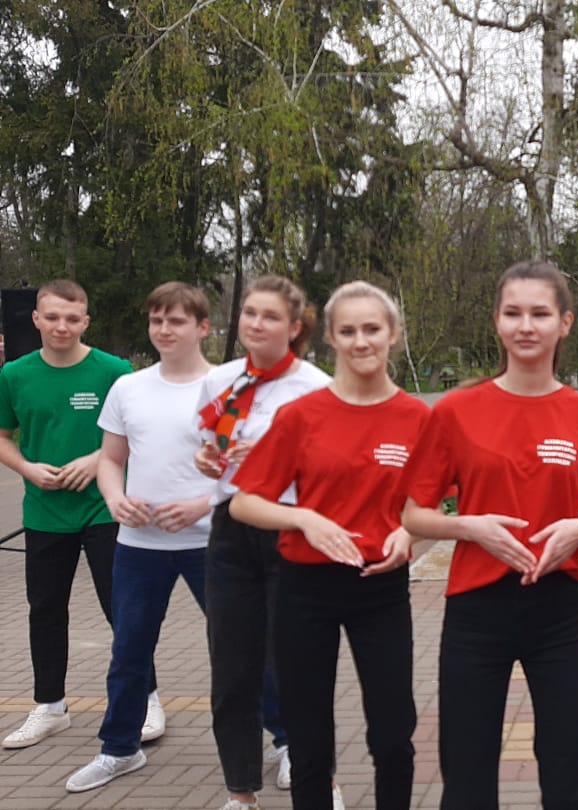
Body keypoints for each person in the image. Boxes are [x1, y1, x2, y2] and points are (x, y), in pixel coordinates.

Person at [402, 260, 578, 810]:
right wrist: (469, 527)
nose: (526, 326)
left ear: (565, 323)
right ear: (497, 322)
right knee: (466, 770)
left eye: (540, 314)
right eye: (513, 313)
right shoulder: (456, 412)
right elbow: (413, 514)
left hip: (558, 610)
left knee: (569, 769)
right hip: (475, 609)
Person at [230, 282, 424, 810]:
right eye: (348, 331)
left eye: (372, 329)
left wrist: (410, 532)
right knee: (309, 737)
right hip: (305, 587)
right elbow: (244, 503)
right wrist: (303, 518)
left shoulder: (418, 418)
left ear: (393, 334)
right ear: (332, 339)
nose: (361, 341)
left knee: (393, 734)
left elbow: (435, 502)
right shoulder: (302, 415)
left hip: (381, 587)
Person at [63, 283, 216, 791]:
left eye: (176, 320)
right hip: (139, 546)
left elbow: (252, 470)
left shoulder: (225, 388)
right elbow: (111, 460)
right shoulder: (128, 388)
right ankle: (120, 750)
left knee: (245, 646)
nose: (164, 330)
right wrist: (114, 499)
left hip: (212, 543)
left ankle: (285, 744)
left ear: (202, 327)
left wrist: (201, 505)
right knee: (129, 650)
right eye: (156, 320)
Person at [196, 275, 330, 810]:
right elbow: (207, 448)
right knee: (232, 668)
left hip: (291, 527)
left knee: (296, 664)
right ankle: (241, 792)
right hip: (230, 530)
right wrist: (207, 459)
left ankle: (320, 779)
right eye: (250, 313)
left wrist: (276, 458)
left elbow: (332, 467)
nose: (256, 324)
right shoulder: (220, 380)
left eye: (270, 316)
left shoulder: (316, 388)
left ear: (294, 328)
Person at [0, 280, 135, 749]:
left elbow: (138, 432)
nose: (62, 326)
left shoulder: (115, 371)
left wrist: (97, 460)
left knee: (123, 609)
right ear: (36, 319)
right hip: (44, 513)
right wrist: (27, 468)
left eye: (72, 318)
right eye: (53, 317)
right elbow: (2, 436)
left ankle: (146, 699)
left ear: (85, 322)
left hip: (105, 508)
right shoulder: (13, 375)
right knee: (45, 611)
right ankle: (50, 707)